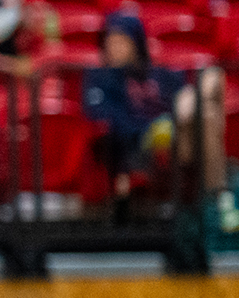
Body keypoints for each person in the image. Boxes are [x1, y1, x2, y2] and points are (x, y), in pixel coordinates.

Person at [83, 11, 225, 197]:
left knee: (212, 80)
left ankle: (216, 197)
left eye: (121, 41)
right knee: (206, 116)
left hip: (175, 133)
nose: (113, 47)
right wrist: (149, 128)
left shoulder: (159, 74)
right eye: (110, 41)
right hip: (140, 145)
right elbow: (100, 114)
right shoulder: (100, 77)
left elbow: (182, 97)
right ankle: (218, 197)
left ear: (136, 43)